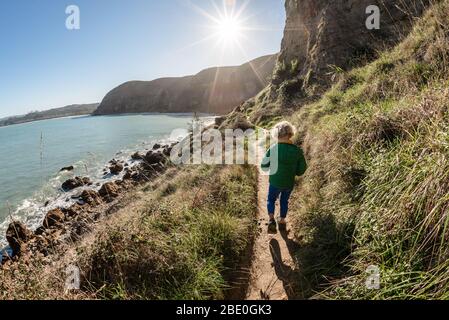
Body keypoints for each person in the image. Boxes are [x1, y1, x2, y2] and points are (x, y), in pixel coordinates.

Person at [261, 121, 307, 232]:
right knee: (284, 201)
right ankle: (282, 220)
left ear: (276, 135)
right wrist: (293, 171)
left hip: (275, 182)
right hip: (288, 183)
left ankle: (271, 219)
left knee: (271, 199)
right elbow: (302, 169)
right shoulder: (297, 151)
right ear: (290, 134)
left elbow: (264, 166)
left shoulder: (272, 149)